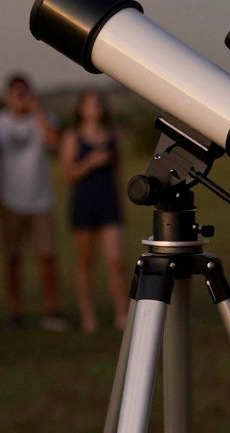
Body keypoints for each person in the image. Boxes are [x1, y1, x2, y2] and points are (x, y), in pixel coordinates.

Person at [0, 75, 71, 332]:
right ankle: (15, 311)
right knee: (12, 259)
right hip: (8, 200)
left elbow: (54, 141)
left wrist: (37, 112)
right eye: (17, 93)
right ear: (7, 96)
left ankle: (52, 310)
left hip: (40, 200)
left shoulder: (43, 118)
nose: (21, 98)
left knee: (47, 257)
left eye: (26, 92)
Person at [59, 89, 129, 333]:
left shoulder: (113, 135)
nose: (94, 108)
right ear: (81, 109)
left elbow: (118, 172)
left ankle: (123, 315)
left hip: (109, 203)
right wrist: (91, 161)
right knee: (86, 262)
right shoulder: (72, 137)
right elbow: (68, 174)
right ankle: (88, 316)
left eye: (98, 103)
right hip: (85, 203)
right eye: (89, 104)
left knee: (116, 261)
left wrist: (122, 203)